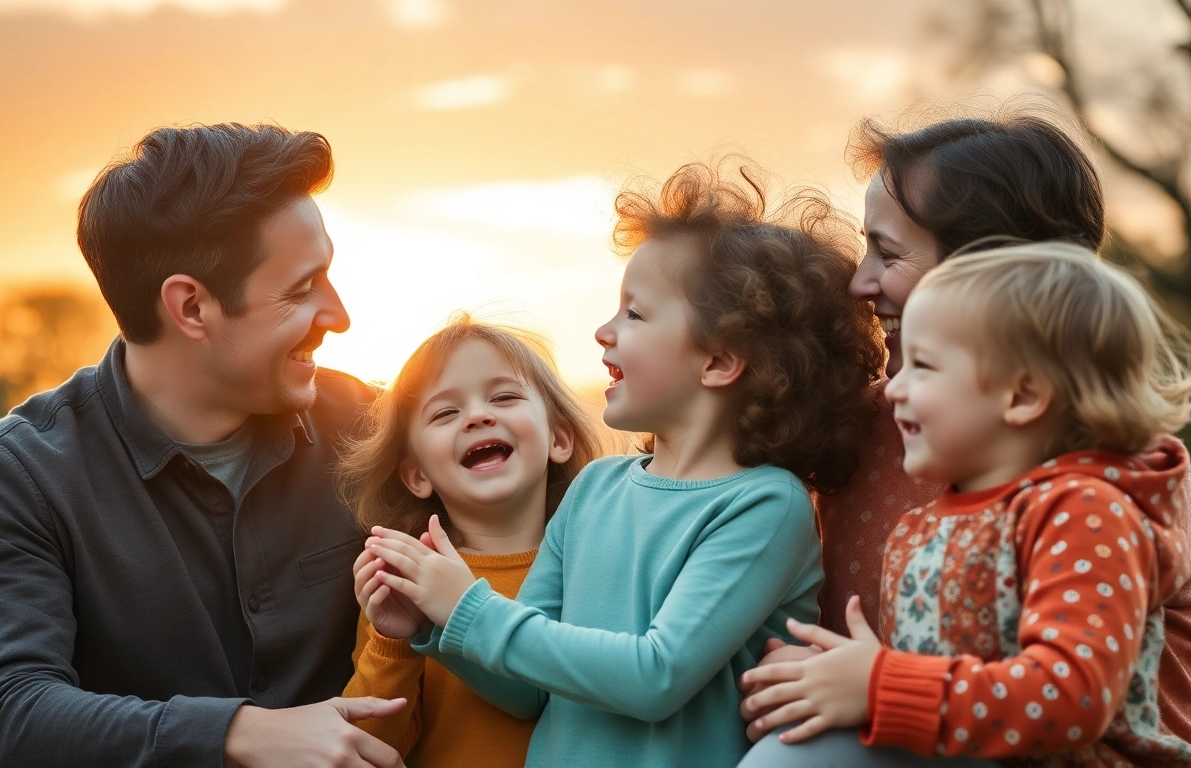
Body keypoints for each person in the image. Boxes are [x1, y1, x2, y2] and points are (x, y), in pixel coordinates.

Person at [745, 109, 1191, 767]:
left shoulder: (1099, 489)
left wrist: (873, 682)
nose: (859, 283)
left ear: (995, 282)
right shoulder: (868, 425)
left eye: (888, 253)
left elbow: (1060, 691)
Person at [357, 162, 885, 767]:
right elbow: (527, 692)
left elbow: (655, 677)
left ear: (717, 361)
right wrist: (431, 624)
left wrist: (467, 607)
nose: (604, 331)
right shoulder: (593, 489)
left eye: (635, 314)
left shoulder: (765, 505)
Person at [0, 123, 407, 767]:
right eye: (300, 289)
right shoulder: (6, 476)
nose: (338, 314)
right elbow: (10, 715)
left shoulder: (375, 430)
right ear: (191, 307)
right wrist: (243, 734)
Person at [338, 317, 601, 766]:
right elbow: (369, 748)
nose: (479, 415)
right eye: (445, 412)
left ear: (558, 438)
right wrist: (392, 642)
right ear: (417, 474)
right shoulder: (408, 587)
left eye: (504, 396)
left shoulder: (599, 562)